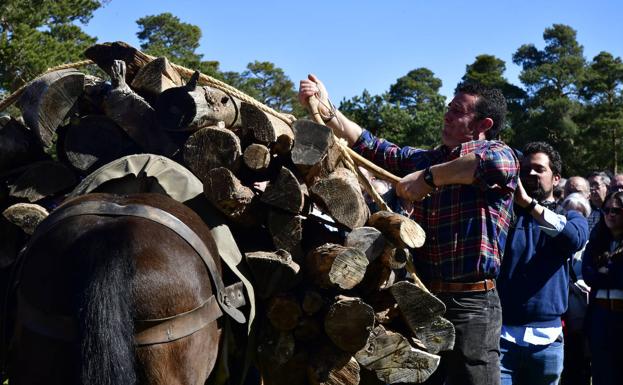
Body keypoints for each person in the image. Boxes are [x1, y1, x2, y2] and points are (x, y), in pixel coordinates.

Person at [299, 74, 519, 385]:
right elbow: (373, 146)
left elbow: (489, 165)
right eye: (449, 107)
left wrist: (427, 179)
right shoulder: (429, 159)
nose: (447, 114)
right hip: (424, 298)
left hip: (473, 306)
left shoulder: (501, 153)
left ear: (484, 124)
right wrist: (329, 110)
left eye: (458, 111)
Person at [497, 142, 588, 385]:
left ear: (556, 178)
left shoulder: (571, 216)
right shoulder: (504, 216)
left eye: (539, 169)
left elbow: (574, 238)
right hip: (501, 337)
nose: (530, 174)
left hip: (547, 342)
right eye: (525, 169)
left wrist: (529, 204)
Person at [582, 191, 623, 385]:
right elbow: (588, 276)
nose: (610, 214)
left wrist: (607, 273)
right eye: (607, 210)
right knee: (601, 374)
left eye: (616, 210)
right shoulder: (597, 242)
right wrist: (607, 274)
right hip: (600, 316)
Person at [559, 192, 592, 385]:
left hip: (582, 319)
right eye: (569, 213)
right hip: (560, 320)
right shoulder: (555, 243)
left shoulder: (591, 248)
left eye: (579, 214)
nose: (574, 219)